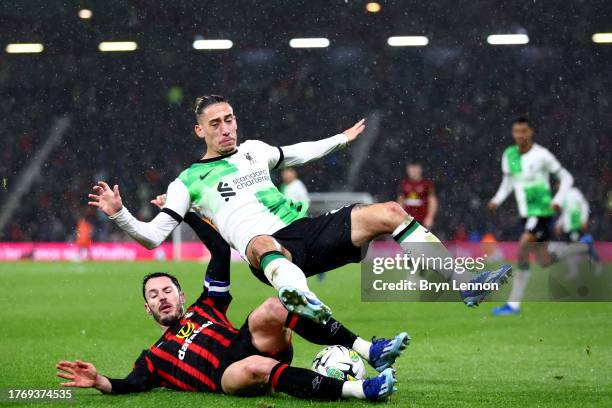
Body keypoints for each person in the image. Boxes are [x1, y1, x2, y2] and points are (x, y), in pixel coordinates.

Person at [88, 95, 511, 324]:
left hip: (305, 232)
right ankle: (304, 302)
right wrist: (119, 213)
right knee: (258, 243)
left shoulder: (254, 151)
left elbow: (295, 154)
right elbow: (152, 237)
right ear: (200, 131)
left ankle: (464, 282)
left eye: (230, 118)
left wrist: (340, 140)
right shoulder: (186, 181)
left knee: (390, 212)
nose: (226, 127)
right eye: (215, 123)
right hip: (267, 251)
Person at [56, 213, 405, 402]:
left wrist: (187, 212)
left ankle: (367, 349)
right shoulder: (154, 358)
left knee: (275, 304)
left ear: (180, 296)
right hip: (224, 376)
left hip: (244, 343)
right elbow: (130, 385)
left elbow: (220, 251)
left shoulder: (207, 305)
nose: (161, 297)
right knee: (254, 365)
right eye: (153, 295)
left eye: (167, 290)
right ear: (148, 308)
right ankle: (361, 391)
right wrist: (100, 381)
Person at [488, 117, 582, 316]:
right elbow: (508, 183)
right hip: (526, 214)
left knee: (522, 250)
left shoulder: (542, 155)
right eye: (516, 131)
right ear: (513, 133)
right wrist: (497, 199)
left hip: (542, 213)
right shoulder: (509, 155)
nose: (520, 135)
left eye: (524, 131)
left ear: (531, 132)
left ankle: (513, 305)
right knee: (544, 261)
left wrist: (557, 199)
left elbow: (567, 178)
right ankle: (581, 247)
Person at [397, 163, 438, 229]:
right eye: (410, 169)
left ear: (419, 169)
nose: (412, 171)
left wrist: (430, 217)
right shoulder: (404, 184)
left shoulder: (426, 184)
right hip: (408, 219)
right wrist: (400, 216)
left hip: (422, 219)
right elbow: (400, 201)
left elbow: (432, 202)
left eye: (414, 169)